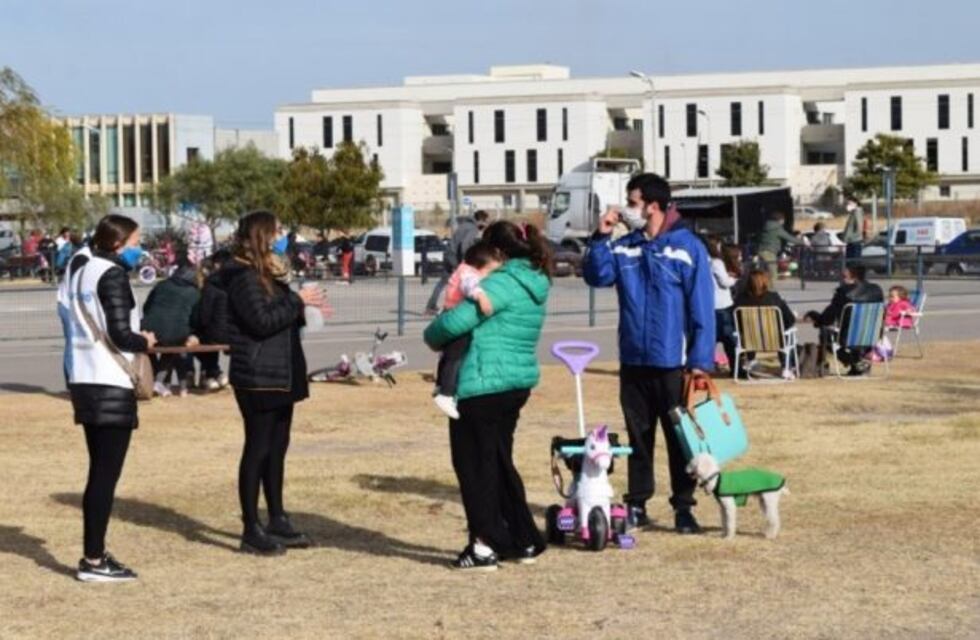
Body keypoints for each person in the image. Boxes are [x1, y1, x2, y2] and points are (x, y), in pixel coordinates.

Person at [583, 173, 715, 534]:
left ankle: (684, 507)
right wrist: (600, 236)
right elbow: (596, 275)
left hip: (673, 363)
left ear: (653, 206)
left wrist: (700, 362)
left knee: (679, 440)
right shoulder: (626, 246)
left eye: (633, 202)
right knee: (638, 438)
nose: (627, 209)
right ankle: (637, 503)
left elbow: (702, 308)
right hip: (633, 360)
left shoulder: (688, 248)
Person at [424, 220, 552, 571]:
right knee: (498, 463)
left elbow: (451, 325)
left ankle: (483, 545)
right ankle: (522, 538)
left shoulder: (499, 283)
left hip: (482, 383)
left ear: (496, 250)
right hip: (515, 383)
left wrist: (433, 332)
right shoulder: (537, 280)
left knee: (475, 467)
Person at [223, 210, 324, 555]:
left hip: (282, 372)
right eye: (277, 230)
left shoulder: (269, 273)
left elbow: (278, 315)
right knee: (258, 447)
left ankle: (277, 517)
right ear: (261, 235)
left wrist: (303, 309)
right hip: (258, 376)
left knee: (277, 448)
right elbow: (261, 322)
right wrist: (297, 301)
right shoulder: (243, 277)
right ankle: (251, 527)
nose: (282, 235)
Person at [66, 214, 157, 582]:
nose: (139, 249)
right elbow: (120, 333)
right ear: (119, 243)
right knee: (105, 475)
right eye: (136, 242)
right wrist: (145, 341)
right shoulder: (112, 274)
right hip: (109, 380)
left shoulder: (80, 266)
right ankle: (93, 559)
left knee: (98, 472)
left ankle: (95, 553)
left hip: (83, 376)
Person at [432, 241, 501, 419]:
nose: (487, 277)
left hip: (449, 316)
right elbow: (470, 286)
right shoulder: (468, 273)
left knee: (448, 356)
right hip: (457, 320)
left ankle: (441, 386)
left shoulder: (462, 268)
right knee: (456, 357)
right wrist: (482, 297)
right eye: (488, 272)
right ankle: (446, 394)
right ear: (479, 265)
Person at [804, 264, 883, 376]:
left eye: (844, 274)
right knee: (852, 331)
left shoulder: (843, 292)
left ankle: (855, 362)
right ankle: (858, 364)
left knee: (825, 334)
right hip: (872, 334)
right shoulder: (876, 290)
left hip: (848, 336)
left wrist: (814, 316)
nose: (842, 276)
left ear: (852, 275)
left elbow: (827, 319)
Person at [142, 252, 202, 398]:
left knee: (165, 345)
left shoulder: (161, 285)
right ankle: (166, 384)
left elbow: (146, 307)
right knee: (175, 344)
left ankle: (159, 381)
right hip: (176, 332)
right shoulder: (194, 293)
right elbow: (197, 318)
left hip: (149, 329)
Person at [733, 269, 797, 378]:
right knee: (787, 332)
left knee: (748, 330)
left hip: (750, 340)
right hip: (774, 339)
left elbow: (736, 321)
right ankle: (787, 366)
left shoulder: (741, 299)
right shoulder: (774, 298)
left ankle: (750, 360)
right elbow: (790, 319)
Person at [424, 209, 489, 314]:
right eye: (485, 221)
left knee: (442, 282)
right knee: (462, 281)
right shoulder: (473, 228)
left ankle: (430, 306)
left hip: (448, 254)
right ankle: (456, 307)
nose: (485, 224)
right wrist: (466, 259)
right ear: (481, 220)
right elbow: (464, 245)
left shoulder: (464, 224)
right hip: (455, 258)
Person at [193, 248, 232, 391]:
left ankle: (213, 373)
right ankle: (215, 374)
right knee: (210, 334)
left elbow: (204, 315)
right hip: (237, 332)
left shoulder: (212, 283)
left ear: (217, 265)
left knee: (200, 338)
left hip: (218, 333)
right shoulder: (240, 280)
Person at [706, 236, 738, 376]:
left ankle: (708, 366)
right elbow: (724, 283)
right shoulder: (716, 262)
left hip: (708, 304)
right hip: (722, 304)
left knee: (709, 339)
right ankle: (735, 366)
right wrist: (734, 279)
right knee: (729, 339)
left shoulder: (703, 261)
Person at [756, 212, 798, 285]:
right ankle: (769, 290)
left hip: (761, 250)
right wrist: (804, 242)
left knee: (763, 272)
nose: (784, 222)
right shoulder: (777, 228)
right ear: (780, 220)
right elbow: (789, 238)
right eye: (783, 220)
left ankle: (760, 287)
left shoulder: (766, 226)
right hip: (769, 251)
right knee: (773, 273)